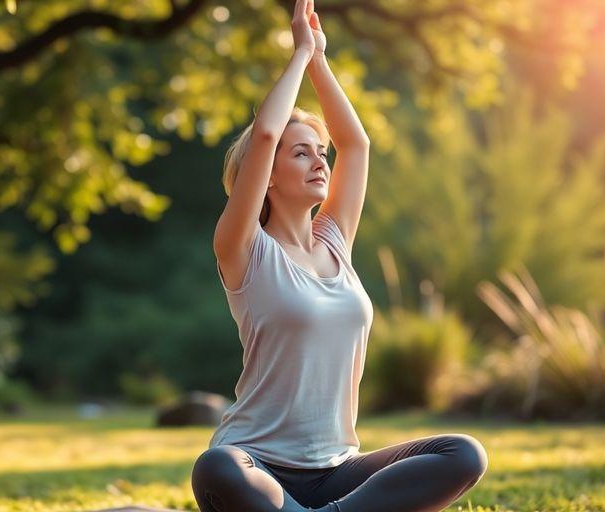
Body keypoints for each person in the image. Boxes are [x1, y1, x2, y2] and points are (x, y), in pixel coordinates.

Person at [189, 1, 488, 510]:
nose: (318, 161)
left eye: (319, 152)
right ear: (267, 176)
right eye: (300, 152)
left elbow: (357, 144)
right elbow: (264, 134)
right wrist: (300, 53)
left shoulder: (334, 241)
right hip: (256, 466)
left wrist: (322, 61)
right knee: (216, 467)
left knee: (462, 453)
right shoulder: (243, 249)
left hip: (337, 471)